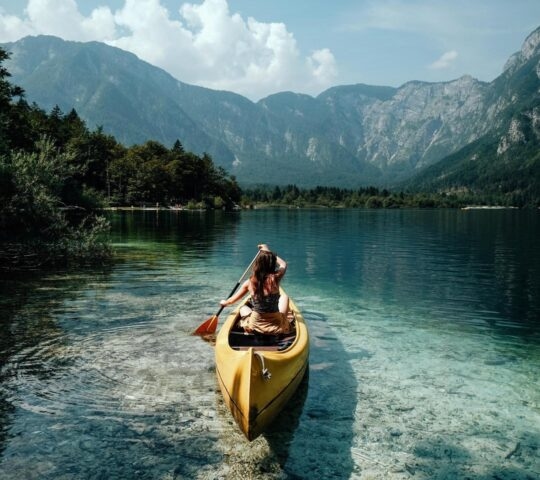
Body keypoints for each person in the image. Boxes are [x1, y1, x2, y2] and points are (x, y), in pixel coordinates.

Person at [220, 244, 291, 335]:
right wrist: (267, 251)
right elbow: (283, 264)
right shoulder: (275, 279)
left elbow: (231, 301)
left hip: (255, 325)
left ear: (257, 265)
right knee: (284, 297)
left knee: (243, 308)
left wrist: (224, 303)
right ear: (272, 265)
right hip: (275, 325)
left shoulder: (249, 283)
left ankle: (249, 330)